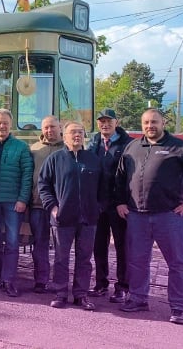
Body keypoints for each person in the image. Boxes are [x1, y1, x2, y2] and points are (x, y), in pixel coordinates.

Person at [115, 108, 183, 325]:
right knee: (138, 261)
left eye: (154, 122)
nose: (150, 126)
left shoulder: (179, 147)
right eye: (146, 122)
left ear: (163, 122)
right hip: (137, 217)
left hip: (168, 216)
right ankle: (138, 299)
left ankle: (178, 306)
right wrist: (120, 201)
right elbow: (120, 178)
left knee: (177, 263)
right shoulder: (132, 147)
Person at [39, 121, 103, 311]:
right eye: (72, 132)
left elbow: (104, 188)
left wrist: (98, 207)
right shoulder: (55, 159)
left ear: (84, 136)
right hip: (62, 218)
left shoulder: (93, 159)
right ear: (64, 136)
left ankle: (81, 295)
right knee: (61, 258)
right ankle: (60, 294)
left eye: (80, 132)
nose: (76, 135)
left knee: (84, 259)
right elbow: (44, 186)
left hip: (88, 219)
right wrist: (53, 207)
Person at [0, 109, 34, 297]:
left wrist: (22, 199)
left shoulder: (20, 147)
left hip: (13, 203)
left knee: (12, 242)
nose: (2, 126)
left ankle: (9, 280)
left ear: (10, 124)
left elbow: (27, 175)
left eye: (5, 122)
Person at [87, 108, 133, 303]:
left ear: (117, 122)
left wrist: (123, 201)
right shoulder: (93, 143)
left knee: (123, 247)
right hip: (98, 205)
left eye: (108, 121)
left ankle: (123, 287)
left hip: (119, 205)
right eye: (101, 121)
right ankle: (100, 283)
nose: (104, 124)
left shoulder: (128, 144)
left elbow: (130, 177)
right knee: (98, 247)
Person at [28, 115, 63, 293]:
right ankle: (40, 280)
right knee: (39, 245)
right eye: (46, 127)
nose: (49, 131)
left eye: (53, 127)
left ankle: (59, 282)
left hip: (61, 207)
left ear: (60, 127)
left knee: (61, 248)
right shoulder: (34, 149)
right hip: (37, 205)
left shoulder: (68, 147)